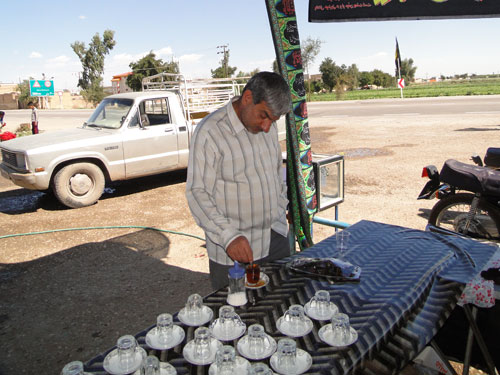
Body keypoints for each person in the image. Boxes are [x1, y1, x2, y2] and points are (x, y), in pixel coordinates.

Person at [186, 71, 292, 290]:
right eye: (263, 115)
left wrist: (281, 207)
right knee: (236, 317)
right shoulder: (210, 132)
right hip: (234, 251)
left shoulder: (267, 128)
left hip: (275, 239)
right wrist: (229, 236)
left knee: (281, 310)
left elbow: (276, 173)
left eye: (272, 120)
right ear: (247, 98)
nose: (266, 127)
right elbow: (197, 192)